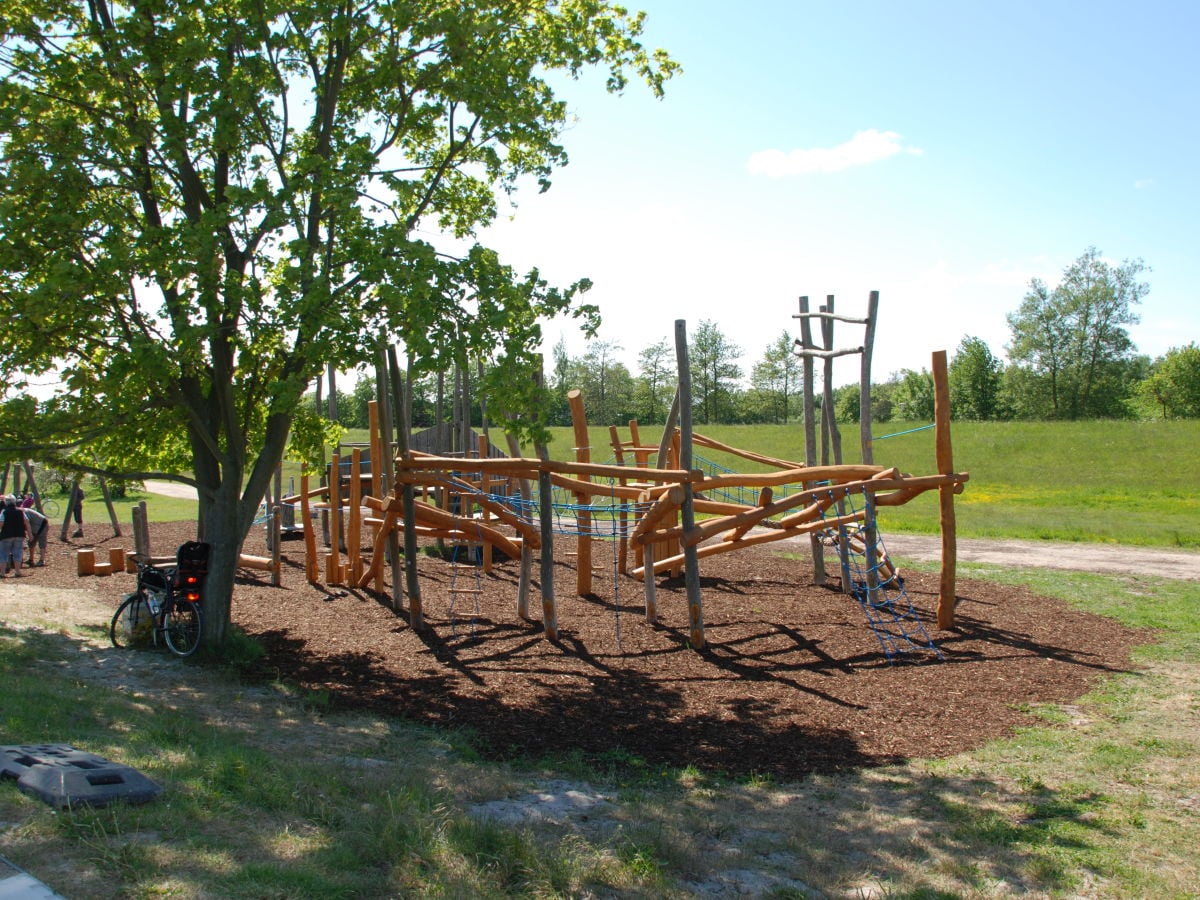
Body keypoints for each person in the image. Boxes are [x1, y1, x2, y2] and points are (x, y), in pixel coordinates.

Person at [1, 494, 32, 578]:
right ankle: (17, 572)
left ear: (6, 503)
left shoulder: (4, 512)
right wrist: (30, 534)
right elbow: (27, 522)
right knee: (17, 553)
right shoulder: (20, 511)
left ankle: (2, 573)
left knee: (3, 553)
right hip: (19, 535)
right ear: (14, 502)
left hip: (6, 535)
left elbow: (1, 523)